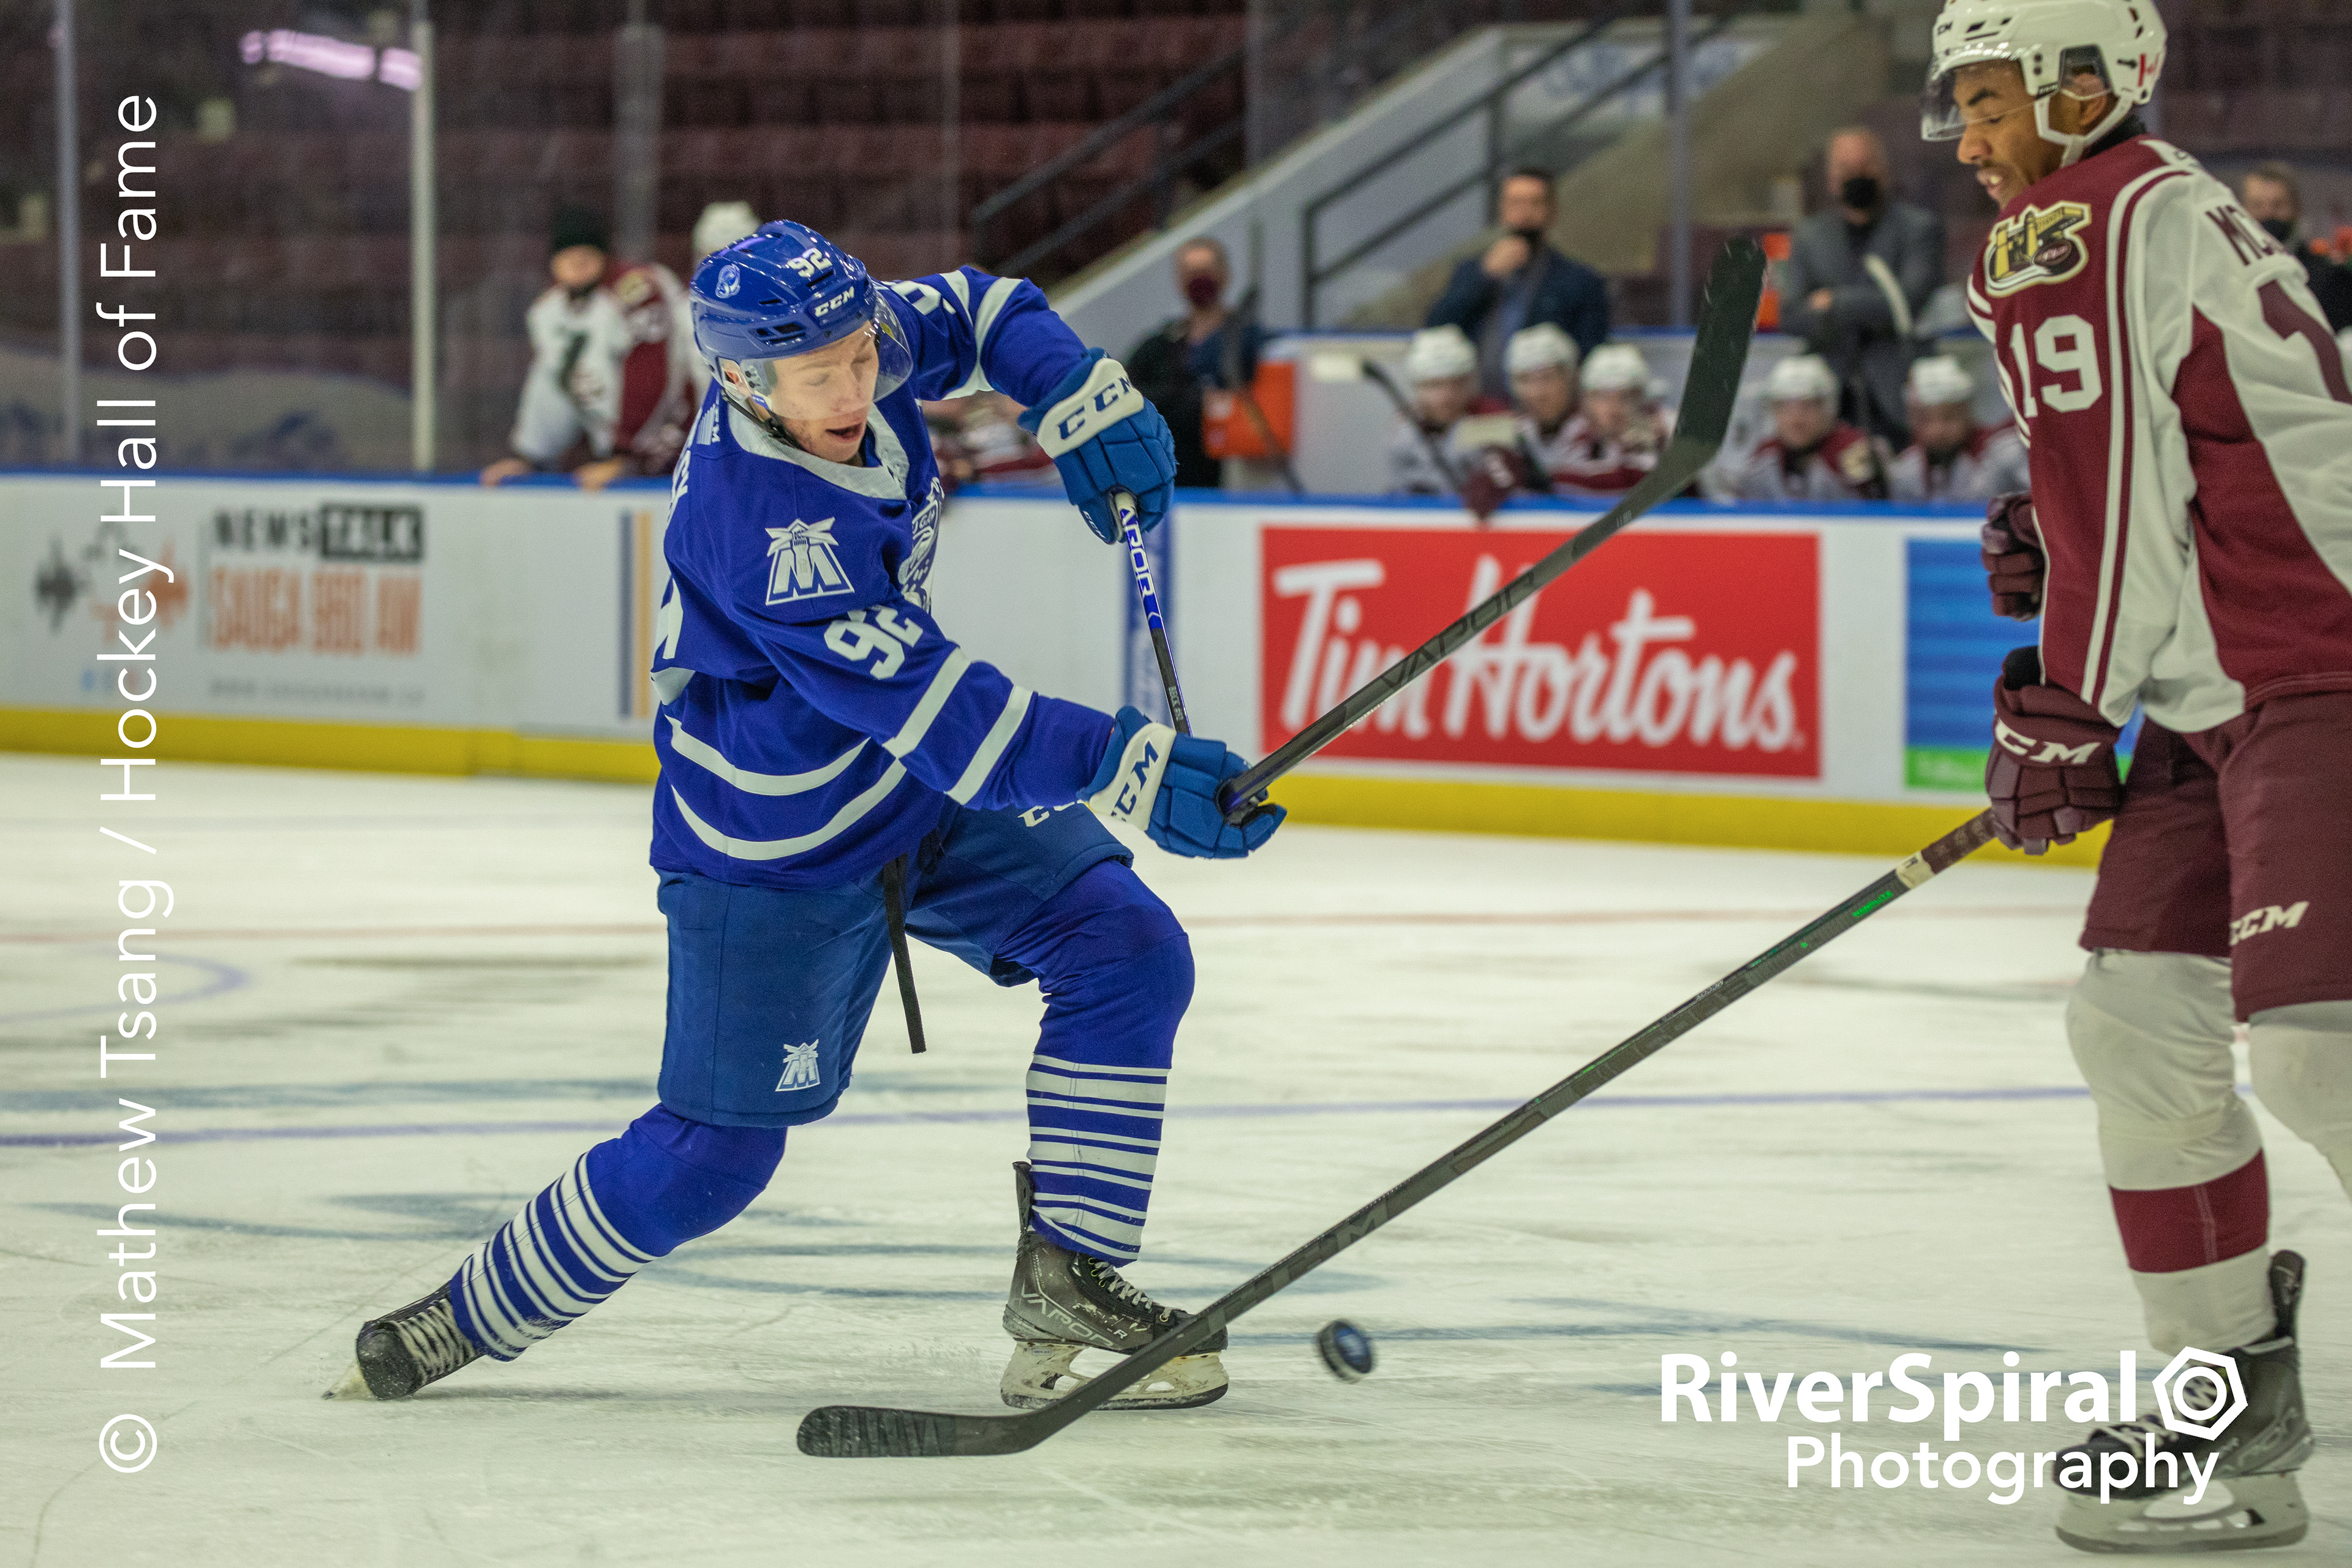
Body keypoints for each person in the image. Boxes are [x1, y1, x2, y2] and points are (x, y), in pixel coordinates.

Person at [331, 222, 1282, 1414]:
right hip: (775, 848)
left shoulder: (848, 339)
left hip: (899, 788)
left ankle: (1072, 1276)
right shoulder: (761, 523)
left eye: (859, 355)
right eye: (819, 374)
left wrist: (1074, 391)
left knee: (1128, 948)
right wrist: (1126, 763)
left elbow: (983, 310)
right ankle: (462, 1316)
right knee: (713, 1158)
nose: (855, 384)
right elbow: (941, 709)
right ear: (739, 381)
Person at [1928, 0, 2352, 1550]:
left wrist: (2057, 701)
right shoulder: (2158, 204)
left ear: (2082, 86)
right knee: (2133, 1021)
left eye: (1985, 100)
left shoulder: (2071, 224)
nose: (1965, 139)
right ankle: (2225, 1422)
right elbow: (2154, 468)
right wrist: (2055, 561)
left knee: (2316, 1044)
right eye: (1955, 107)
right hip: (2221, 685)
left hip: (2318, 663)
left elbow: (2114, 503)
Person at [481, 205, 698, 491]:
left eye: (586, 254)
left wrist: (628, 458)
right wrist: (530, 456)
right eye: (567, 254)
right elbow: (551, 384)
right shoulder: (548, 311)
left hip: (684, 441)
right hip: (620, 453)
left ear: (603, 255)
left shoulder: (637, 291)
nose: (577, 263)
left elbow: (654, 376)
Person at [1777, 127, 1947, 447]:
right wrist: (1872, 305)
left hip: (1900, 396)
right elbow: (1792, 316)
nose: (1856, 175)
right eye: (1845, 168)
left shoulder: (1919, 228)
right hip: (1826, 397)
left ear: (1884, 171)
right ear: (1830, 179)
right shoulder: (1809, 236)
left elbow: (1907, 304)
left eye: (1865, 165)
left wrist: (1833, 303)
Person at [1426, 167, 1611, 401]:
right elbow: (1437, 328)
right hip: (1476, 408)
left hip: (1546, 414)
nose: (1524, 214)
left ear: (1552, 211)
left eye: (1535, 203)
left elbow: (1591, 356)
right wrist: (1484, 276)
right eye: (1515, 203)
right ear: (1502, 211)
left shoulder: (1580, 282)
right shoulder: (1472, 271)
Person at [1123, 235, 1264, 490]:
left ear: (1225, 275)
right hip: (1168, 476)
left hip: (1228, 481)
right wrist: (1196, 401)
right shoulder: (1160, 343)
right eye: (1190, 272)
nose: (1199, 279)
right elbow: (1128, 392)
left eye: (1206, 270)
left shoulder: (1248, 341)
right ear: (1179, 281)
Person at [1720, 352, 1888, 501]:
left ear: (1828, 408)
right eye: (1784, 407)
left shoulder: (1854, 450)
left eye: (1808, 406)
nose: (1796, 419)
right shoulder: (1766, 455)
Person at [1533, 340, 1675, 498]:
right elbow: (1563, 482)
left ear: (1642, 398)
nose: (1614, 408)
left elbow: (1645, 485)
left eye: (1625, 396)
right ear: (1586, 400)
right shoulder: (1576, 430)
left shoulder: (1666, 427)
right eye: (1602, 397)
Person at [1887, 354, 2027, 501]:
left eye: (1949, 417)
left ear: (1967, 413)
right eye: (1927, 420)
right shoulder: (1905, 470)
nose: (1939, 430)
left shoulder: (2002, 455)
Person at [2239, 162, 2352, 332]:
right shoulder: (2228, 277)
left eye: (2277, 205)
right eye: (2257, 206)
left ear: (2296, 209)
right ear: (2242, 211)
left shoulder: (2331, 279)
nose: (2267, 214)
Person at [1384, 325, 1490, 496]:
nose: (1445, 397)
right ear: (1417, 387)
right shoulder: (1404, 428)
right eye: (1434, 385)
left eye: (1456, 384)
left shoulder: (1490, 419)